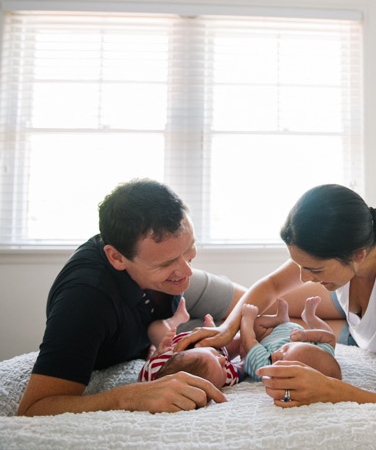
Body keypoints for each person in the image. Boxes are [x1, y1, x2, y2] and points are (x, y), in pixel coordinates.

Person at [177, 184, 376, 406]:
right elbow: (272, 285)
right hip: (346, 300)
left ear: (358, 255)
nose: (304, 279)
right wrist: (225, 330)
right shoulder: (346, 248)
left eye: (314, 269)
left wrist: (330, 390)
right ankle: (178, 306)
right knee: (256, 312)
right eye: (300, 266)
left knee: (268, 325)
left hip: (368, 333)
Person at [17, 178, 248, 416]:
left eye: (189, 249)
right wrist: (130, 395)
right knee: (254, 328)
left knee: (266, 312)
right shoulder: (84, 301)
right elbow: (34, 408)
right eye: (167, 262)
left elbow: (259, 299)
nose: (188, 270)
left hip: (169, 302)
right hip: (159, 326)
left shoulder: (174, 270)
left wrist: (230, 327)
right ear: (117, 258)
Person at [138, 299, 241, 389]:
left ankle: (175, 321)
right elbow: (243, 367)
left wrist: (158, 352)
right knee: (239, 341)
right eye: (220, 367)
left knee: (154, 329)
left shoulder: (154, 370)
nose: (222, 359)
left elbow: (142, 378)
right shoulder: (227, 377)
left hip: (188, 342)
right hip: (218, 346)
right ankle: (242, 330)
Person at [240, 296, 341, 381]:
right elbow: (329, 338)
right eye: (286, 349)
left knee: (255, 325)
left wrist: (248, 318)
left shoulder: (265, 369)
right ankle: (310, 317)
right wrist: (306, 336)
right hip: (298, 332)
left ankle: (278, 319)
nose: (277, 354)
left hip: (269, 333)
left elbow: (248, 341)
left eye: (281, 361)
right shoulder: (322, 357)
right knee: (327, 332)